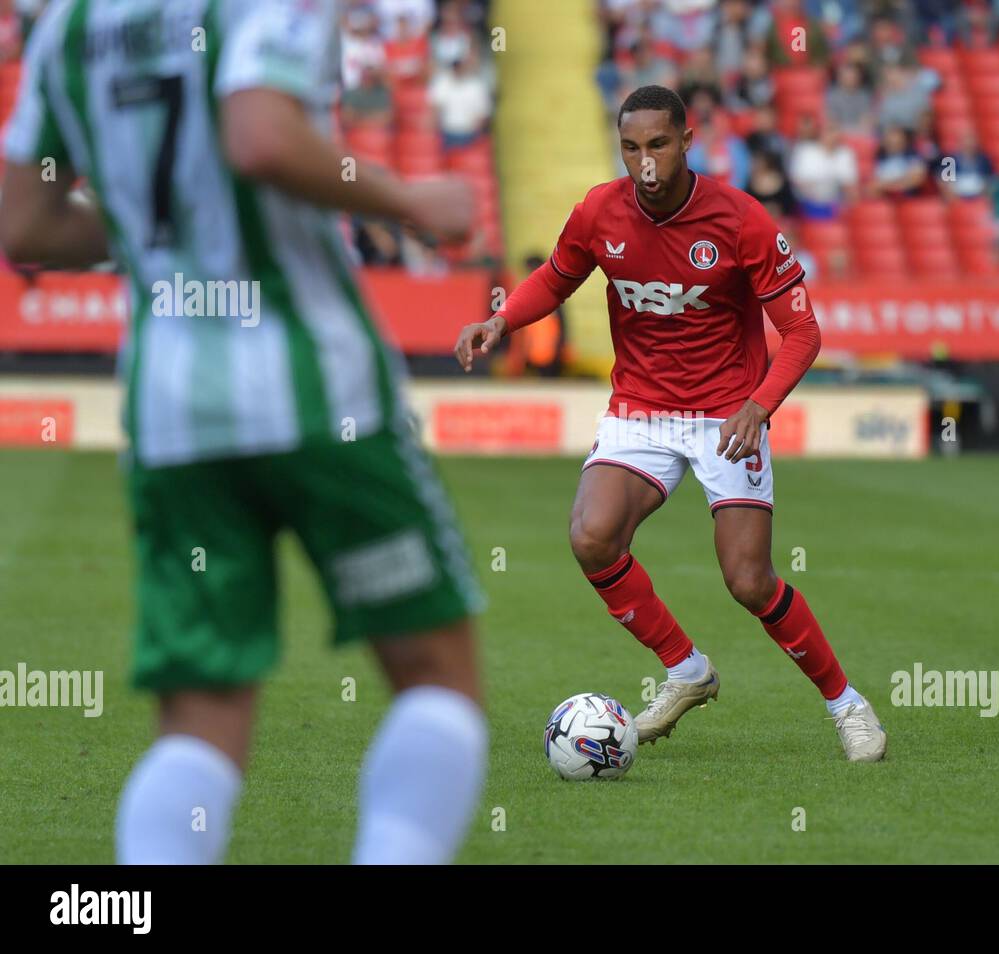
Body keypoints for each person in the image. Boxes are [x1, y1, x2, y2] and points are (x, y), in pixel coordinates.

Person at [0, 0, 486, 865]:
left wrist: (157, 225)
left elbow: (25, 225)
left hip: (173, 410)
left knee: (201, 717)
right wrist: (412, 199)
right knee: (434, 675)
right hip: (315, 385)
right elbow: (259, 136)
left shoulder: (65, 29)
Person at [454, 85, 888, 763]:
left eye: (658, 144)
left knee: (749, 580)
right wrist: (502, 319)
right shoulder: (599, 210)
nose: (645, 162)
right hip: (641, 408)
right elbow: (558, 276)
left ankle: (848, 705)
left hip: (726, 414)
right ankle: (686, 671)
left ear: (687, 141)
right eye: (631, 147)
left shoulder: (740, 220)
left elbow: (802, 332)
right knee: (592, 536)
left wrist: (759, 404)